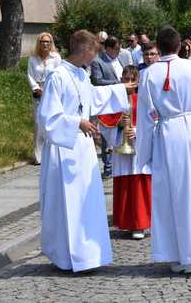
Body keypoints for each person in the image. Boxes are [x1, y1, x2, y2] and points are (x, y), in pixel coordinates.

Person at [37, 30, 136, 272]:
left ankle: (88, 255)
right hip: (63, 149)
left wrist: (122, 89)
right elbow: (47, 116)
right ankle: (65, 256)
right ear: (84, 50)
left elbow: (92, 97)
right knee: (67, 203)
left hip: (82, 148)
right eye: (94, 51)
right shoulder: (57, 76)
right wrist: (76, 123)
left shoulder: (81, 74)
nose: (96, 56)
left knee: (86, 202)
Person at [136, 26, 191, 274]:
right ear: (179, 46)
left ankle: (188, 254)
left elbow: (144, 118)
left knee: (174, 195)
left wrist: (143, 154)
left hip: (166, 135)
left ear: (159, 45)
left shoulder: (148, 74)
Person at [98, 66, 151, 240]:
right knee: (124, 185)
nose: (128, 83)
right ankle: (126, 222)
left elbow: (153, 121)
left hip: (139, 147)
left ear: (137, 81)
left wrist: (137, 131)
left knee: (139, 184)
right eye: (125, 79)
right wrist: (118, 125)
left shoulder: (144, 99)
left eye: (131, 79)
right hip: (121, 147)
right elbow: (105, 125)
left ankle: (140, 223)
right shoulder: (114, 100)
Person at [91, 36, 131, 178]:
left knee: (122, 130)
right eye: (116, 49)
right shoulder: (97, 61)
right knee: (107, 134)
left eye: (120, 48)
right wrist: (119, 84)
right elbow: (97, 80)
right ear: (107, 48)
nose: (119, 51)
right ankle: (108, 165)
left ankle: (121, 158)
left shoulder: (120, 59)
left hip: (123, 99)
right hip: (108, 103)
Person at [27, 32, 61, 165]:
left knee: (52, 122)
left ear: (51, 43)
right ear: (39, 43)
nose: (45, 44)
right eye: (43, 42)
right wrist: (36, 88)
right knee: (38, 124)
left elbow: (59, 74)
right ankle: (38, 156)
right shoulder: (32, 59)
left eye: (48, 41)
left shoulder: (56, 57)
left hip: (52, 92)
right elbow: (29, 75)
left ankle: (53, 154)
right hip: (38, 92)